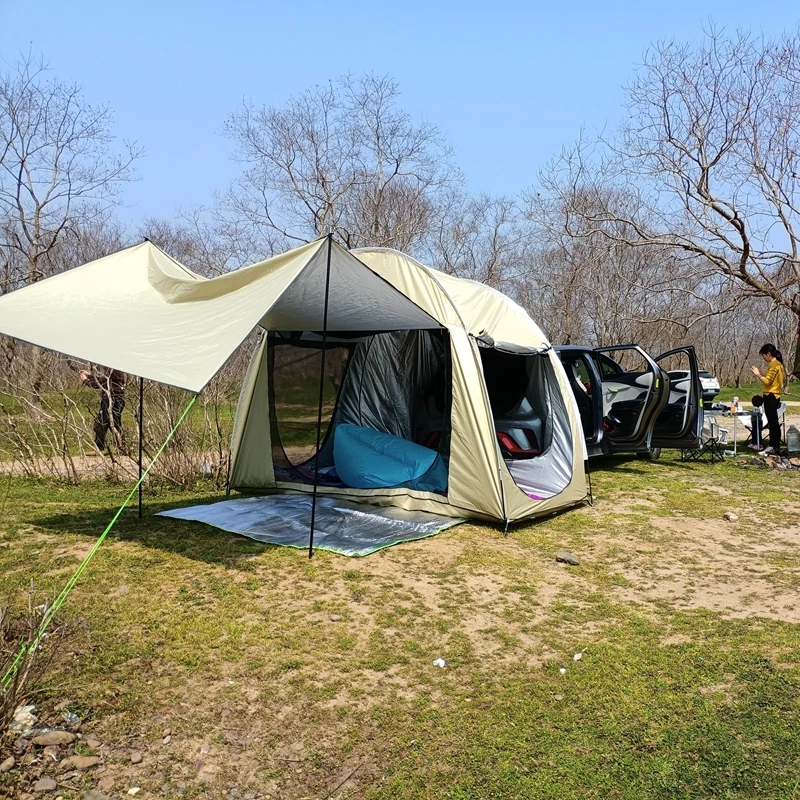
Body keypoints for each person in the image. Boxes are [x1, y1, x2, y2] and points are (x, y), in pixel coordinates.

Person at [750, 343, 786, 454]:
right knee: (773, 422)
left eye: (764, 355)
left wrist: (758, 374)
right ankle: (774, 445)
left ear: (769, 354)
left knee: (773, 422)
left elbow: (767, 381)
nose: (763, 358)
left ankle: (773, 445)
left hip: (771, 396)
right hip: (774, 395)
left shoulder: (774, 365)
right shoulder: (777, 364)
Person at [80, 366, 126, 451]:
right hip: (118, 399)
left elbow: (99, 384)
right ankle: (122, 447)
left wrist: (85, 380)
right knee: (115, 423)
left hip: (110, 399)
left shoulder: (112, 369)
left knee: (102, 422)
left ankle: (99, 448)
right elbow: (103, 380)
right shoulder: (116, 370)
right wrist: (89, 376)